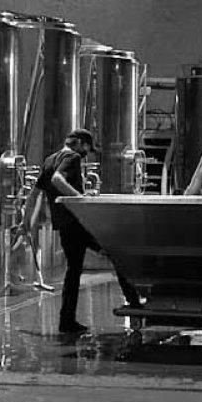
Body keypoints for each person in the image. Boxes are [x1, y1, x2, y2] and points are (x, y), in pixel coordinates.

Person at [31, 128, 140, 333]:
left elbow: (35, 194)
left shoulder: (49, 159)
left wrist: (26, 222)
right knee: (116, 253)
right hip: (78, 223)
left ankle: (66, 320)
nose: (87, 153)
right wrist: (81, 202)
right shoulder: (71, 157)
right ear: (80, 143)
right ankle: (134, 304)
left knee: (73, 272)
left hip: (64, 225)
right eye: (88, 148)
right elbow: (57, 180)